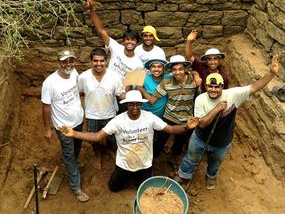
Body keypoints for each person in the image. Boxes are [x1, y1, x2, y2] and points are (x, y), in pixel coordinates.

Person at [61, 90, 200, 192]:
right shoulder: (118, 120)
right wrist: (73, 133)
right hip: (124, 164)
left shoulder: (149, 117)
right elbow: (97, 136)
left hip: (145, 164)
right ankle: (127, 177)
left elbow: (170, 129)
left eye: (137, 104)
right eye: (131, 104)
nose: (134, 107)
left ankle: (135, 179)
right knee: (113, 188)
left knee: (142, 188)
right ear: (126, 105)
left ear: (141, 104)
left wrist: (186, 127)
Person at [177, 55, 280, 190]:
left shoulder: (233, 94)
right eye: (210, 87)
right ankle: (184, 175)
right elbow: (201, 124)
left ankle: (210, 176)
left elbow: (255, 87)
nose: (213, 90)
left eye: (216, 87)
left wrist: (271, 73)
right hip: (200, 138)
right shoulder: (200, 99)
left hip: (222, 141)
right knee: (191, 158)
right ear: (205, 86)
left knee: (215, 162)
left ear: (222, 86)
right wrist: (216, 109)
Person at [41, 49, 89, 202]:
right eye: (64, 61)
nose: (68, 64)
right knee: (68, 154)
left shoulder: (74, 73)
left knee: (76, 148)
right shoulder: (49, 83)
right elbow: (46, 107)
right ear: (58, 63)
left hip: (78, 120)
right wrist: (47, 129)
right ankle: (76, 187)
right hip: (63, 126)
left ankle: (72, 165)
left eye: (70, 61)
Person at [138, 55, 197, 167]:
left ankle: (173, 158)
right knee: (160, 140)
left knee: (179, 142)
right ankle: (151, 160)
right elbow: (151, 100)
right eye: (174, 69)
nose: (177, 72)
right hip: (169, 117)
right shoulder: (166, 82)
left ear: (185, 69)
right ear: (171, 70)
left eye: (180, 69)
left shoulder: (193, 81)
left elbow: (195, 73)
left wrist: (197, 75)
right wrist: (141, 89)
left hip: (186, 119)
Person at [78, 48, 126, 169]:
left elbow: (121, 95)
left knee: (111, 137)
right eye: (95, 61)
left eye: (101, 61)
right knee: (93, 139)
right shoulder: (83, 77)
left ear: (106, 61)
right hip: (91, 114)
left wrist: (135, 98)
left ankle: (110, 150)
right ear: (90, 61)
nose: (98, 64)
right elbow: (80, 93)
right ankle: (97, 155)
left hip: (110, 114)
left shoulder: (115, 77)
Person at [86, 0, 143, 82]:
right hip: (107, 85)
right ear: (123, 41)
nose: (130, 42)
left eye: (133, 40)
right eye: (127, 39)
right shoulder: (116, 48)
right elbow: (101, 31)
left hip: (123, 93)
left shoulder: (139, 64)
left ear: (137, 43)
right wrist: (91, 9)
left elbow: (135, 85)